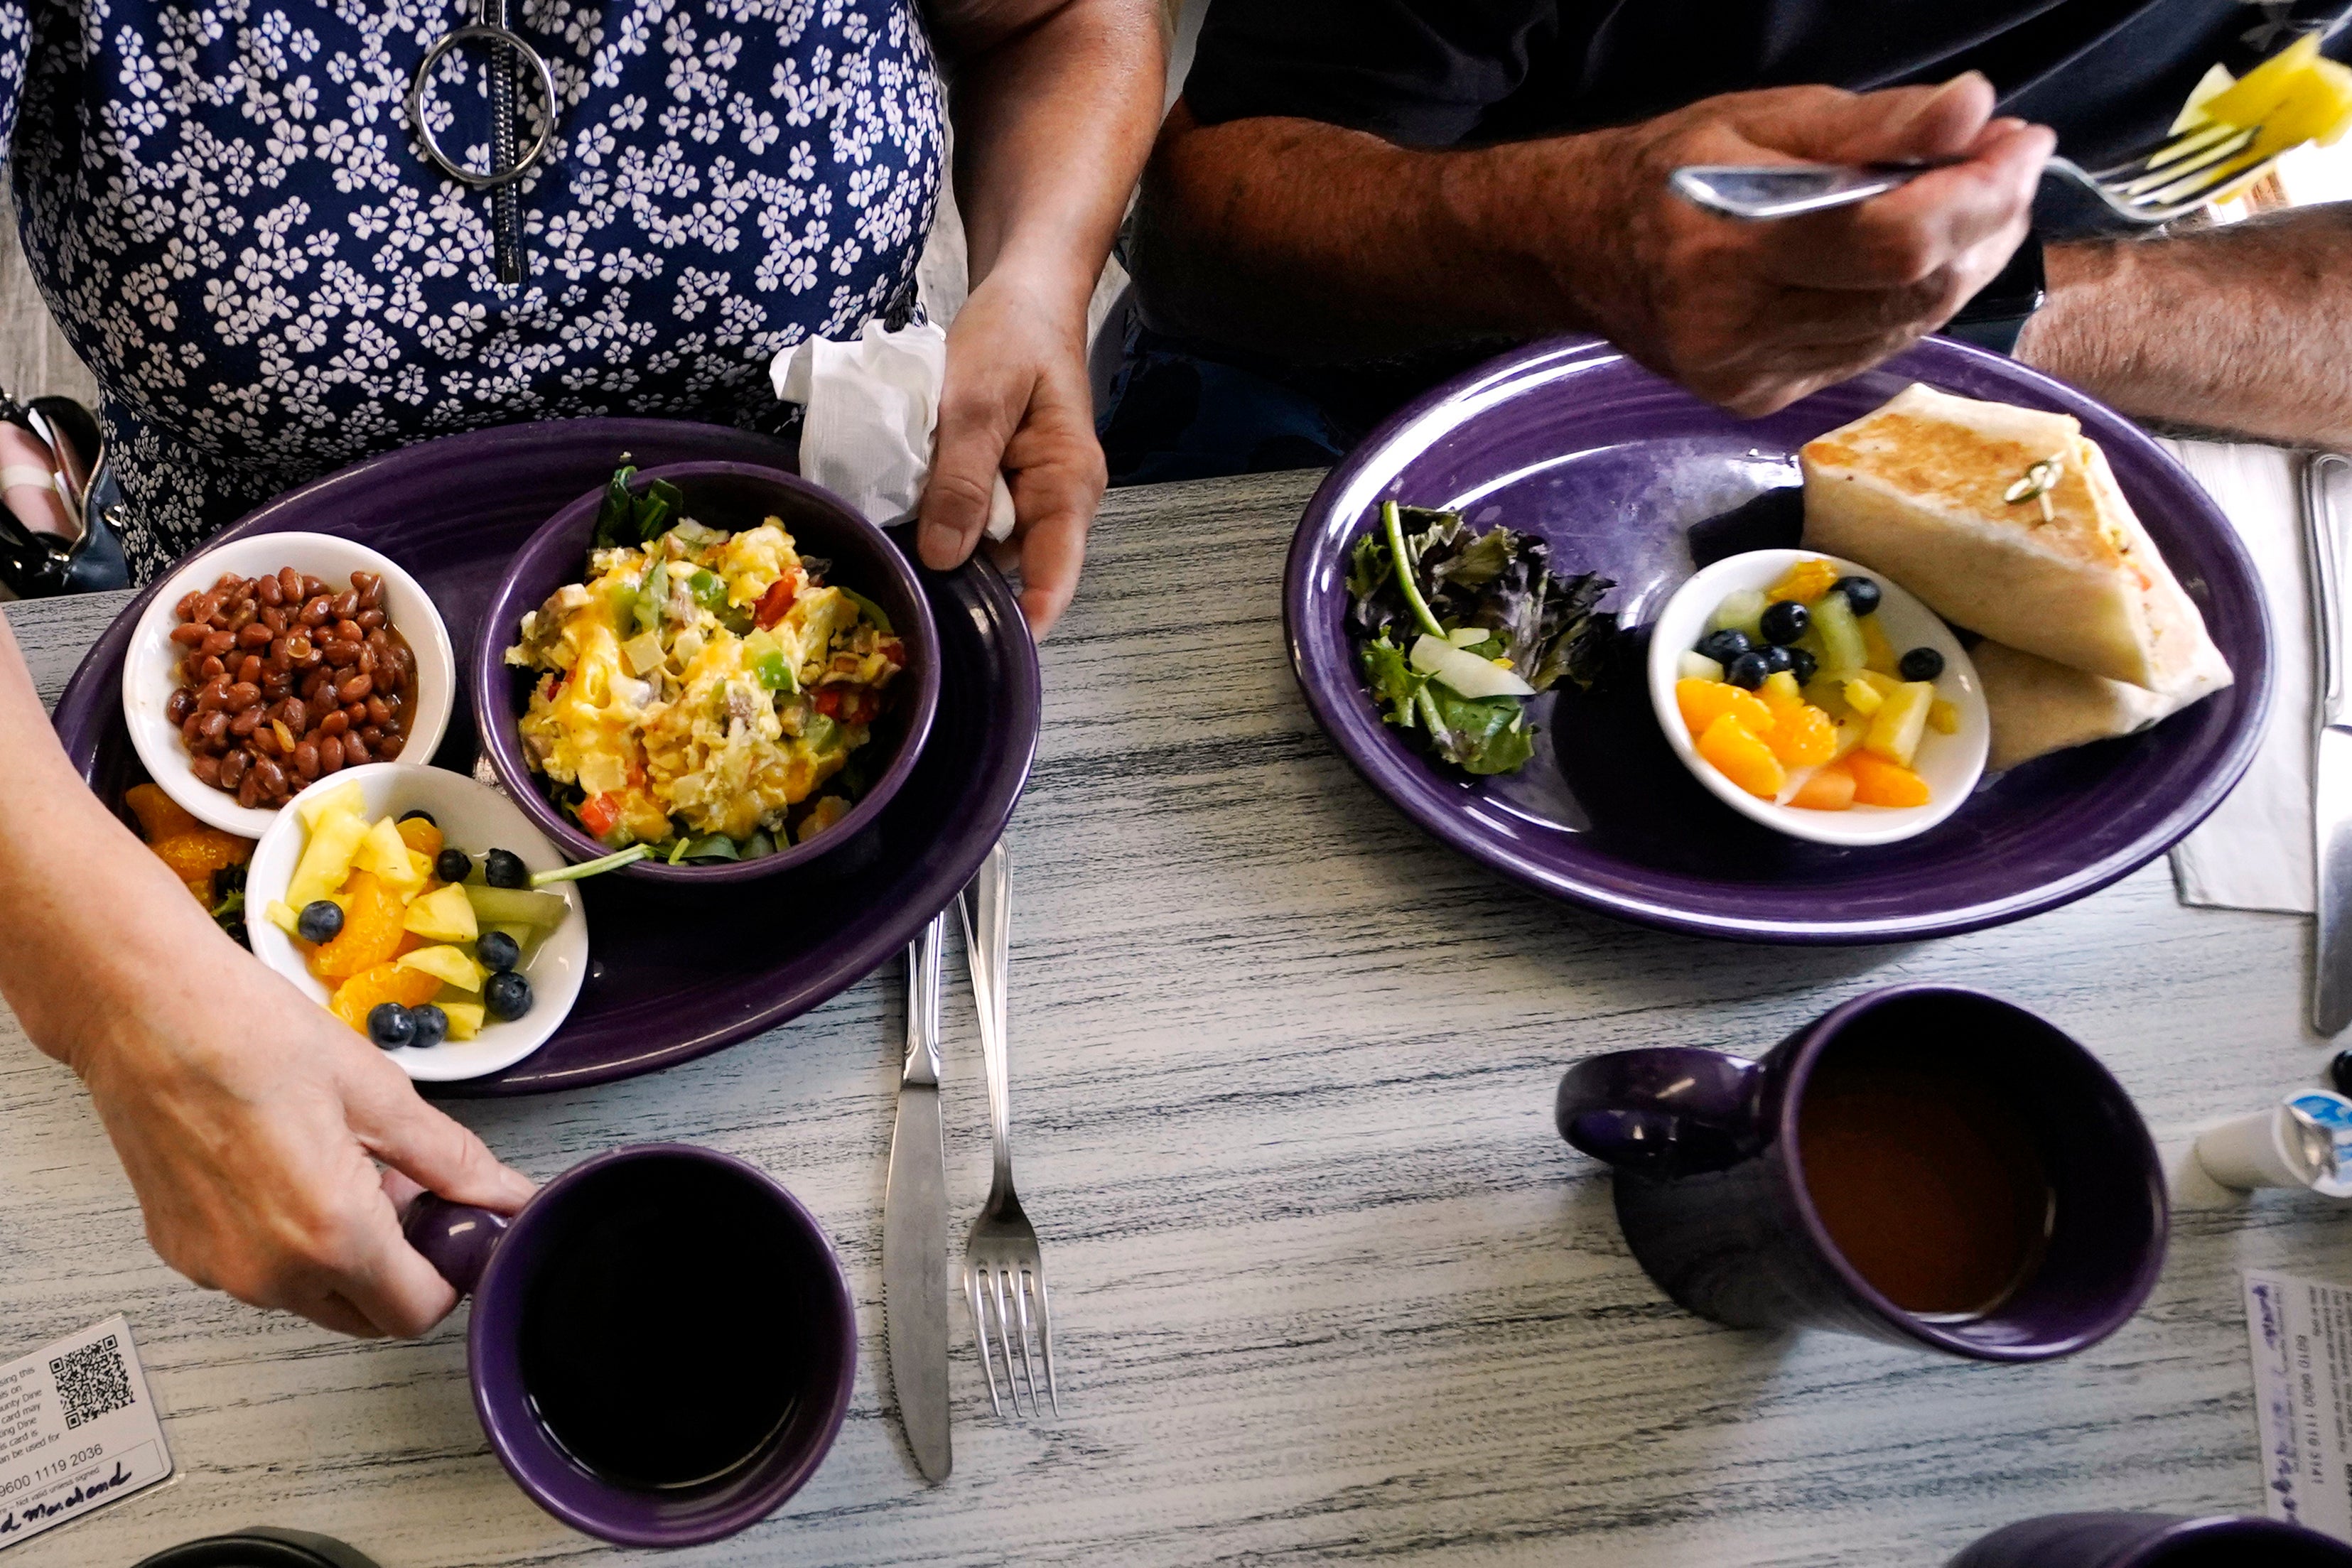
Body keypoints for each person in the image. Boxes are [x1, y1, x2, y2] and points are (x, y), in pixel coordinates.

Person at [0, 0, 1161, 1336]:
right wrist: (111, 999)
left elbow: (1063, 21)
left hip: (856, 697)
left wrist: (1037, 273)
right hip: (205, 745)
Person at [1109, 0, 2352, 482]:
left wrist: (1999, 302)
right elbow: (1202, 232)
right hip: (1331, 425)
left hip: (1946, 461)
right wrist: (1564, 234)